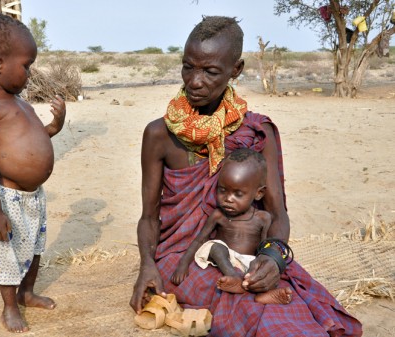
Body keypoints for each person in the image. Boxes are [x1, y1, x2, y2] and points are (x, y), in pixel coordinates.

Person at [129, 16, 362, 336]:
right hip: (181, 256)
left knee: (289, 299)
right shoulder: (158, 134)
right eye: (188, 67)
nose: (195, 81)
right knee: (248, 307)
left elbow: (278, 215)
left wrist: (273, 259)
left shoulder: (256, 131)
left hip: (248, 248)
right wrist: (147, 265)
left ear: (235, 70)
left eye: (210, 71)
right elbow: (149, 217)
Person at [0, 13, 66, 333]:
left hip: (33, 196)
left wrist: (54, 126)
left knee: (35, 248)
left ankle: (27, 293)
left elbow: (32, 137)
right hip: (7, 198)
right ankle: (9, 307)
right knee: (6, 254)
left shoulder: (16, 100)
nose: (29, 72)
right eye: (26, 65)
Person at [171, 148, 292, 305]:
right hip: (224, 261)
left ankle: (266, 294)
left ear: (259, 194)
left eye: (238, 194)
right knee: (215, 246)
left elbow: (264, 248)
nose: (228, 199)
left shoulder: (263, 218)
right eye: (222, 190)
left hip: (248, 262)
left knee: (261, 268)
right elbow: (199, 240)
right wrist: (183, 264)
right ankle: (233, 277)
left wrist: (261, 264)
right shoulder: (218, 215)